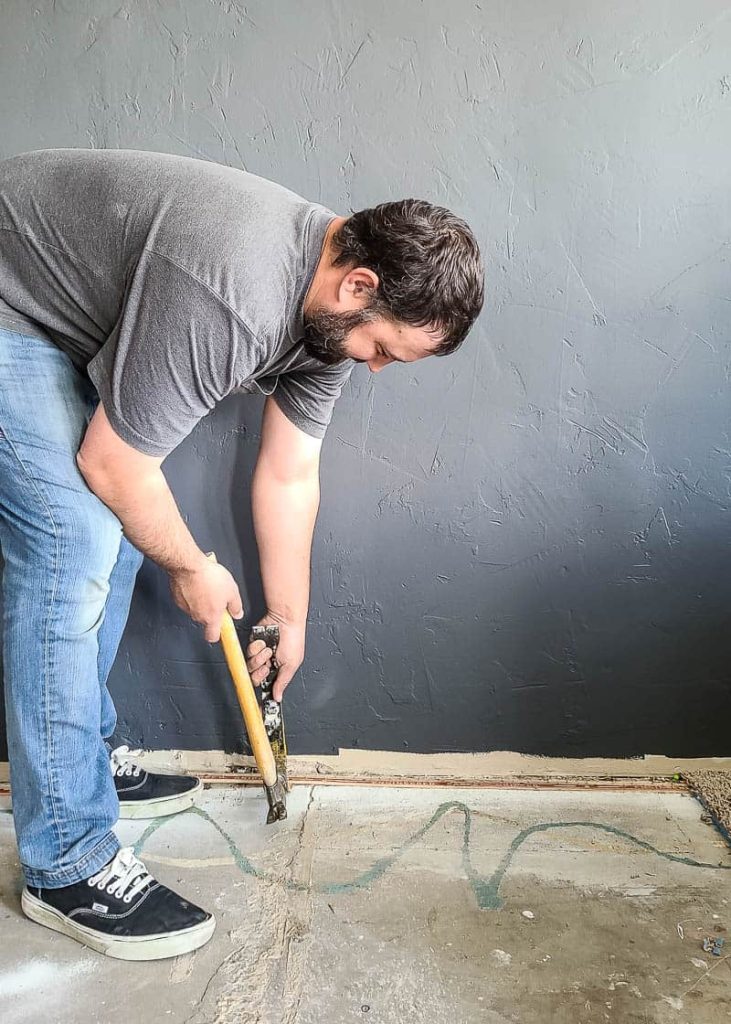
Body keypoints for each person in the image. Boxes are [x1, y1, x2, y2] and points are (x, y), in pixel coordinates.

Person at [0, 147, 484, 960]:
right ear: (358, 286)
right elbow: (112, 464)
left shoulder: (327, 321)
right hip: (10, 302)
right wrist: (193, 567)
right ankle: (68, 863)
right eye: (384, 351)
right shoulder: (234, 290)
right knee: (73, 545)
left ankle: (73, 756)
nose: (375, 369)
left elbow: (290, 475)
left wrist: (286, 614)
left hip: (57, 309)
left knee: (112, 539)